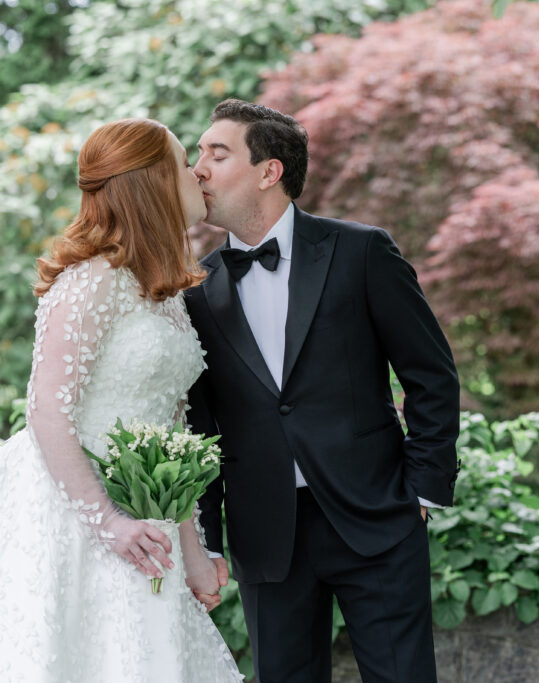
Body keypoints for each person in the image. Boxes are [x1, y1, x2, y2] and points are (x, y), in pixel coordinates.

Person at [0, 118, 243, 682]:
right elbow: (47, 410)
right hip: (72, 513)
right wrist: (109, 525)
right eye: (181, 164)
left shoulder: (166, 295)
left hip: (150, 521)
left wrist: (193, 552)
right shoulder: (89, 282)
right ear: (151, 184)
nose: (197, 173)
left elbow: (174, 437)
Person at [185, 99, 461, 682]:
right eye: (196, 155)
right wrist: (207, 538)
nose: (197, 169)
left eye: (217, 152)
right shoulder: (196, 291)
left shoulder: (361, 251)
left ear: (269, 171)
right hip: (268, 537)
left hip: (377, 517)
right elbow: (199, 430)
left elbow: (430, 373)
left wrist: (423, 490)